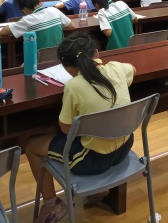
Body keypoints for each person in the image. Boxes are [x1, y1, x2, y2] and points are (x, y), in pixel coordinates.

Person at [25, 34, 136, 223]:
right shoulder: (117, 68)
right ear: (97, 53)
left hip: (94, 160)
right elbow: (133, 69)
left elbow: (66, 129)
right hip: (125, 146)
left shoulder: (73, 86)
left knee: (31, 146)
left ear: (67, 68)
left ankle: (51, 205)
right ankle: (99, 190)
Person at [0, 0, 75, 50]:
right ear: (39, 2)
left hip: (38, 61)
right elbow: (72, 26)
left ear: (25, 9)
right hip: (59, 57)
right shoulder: (54, 10)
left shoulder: (27, 20)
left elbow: (3, 32)